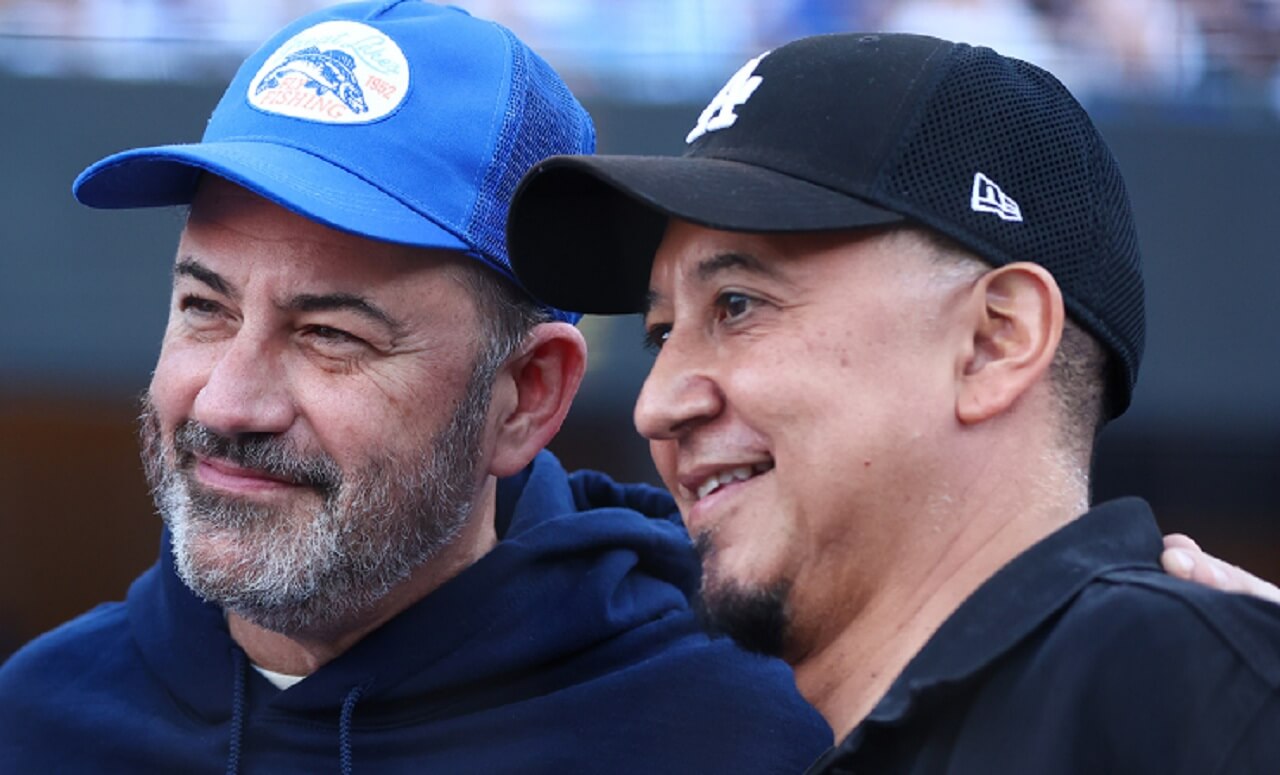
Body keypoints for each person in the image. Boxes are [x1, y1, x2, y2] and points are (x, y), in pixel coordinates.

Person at [0, 3, 833, 773]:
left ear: (527, 396)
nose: (225, 403)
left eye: (328, 334)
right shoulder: (37, 721)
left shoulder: (737, 736)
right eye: (204, 309)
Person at [505, 32, 1280, 772]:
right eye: (661, 333)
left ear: (993, 341)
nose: (657, 406)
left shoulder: (1176, 688)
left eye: (737, 304)